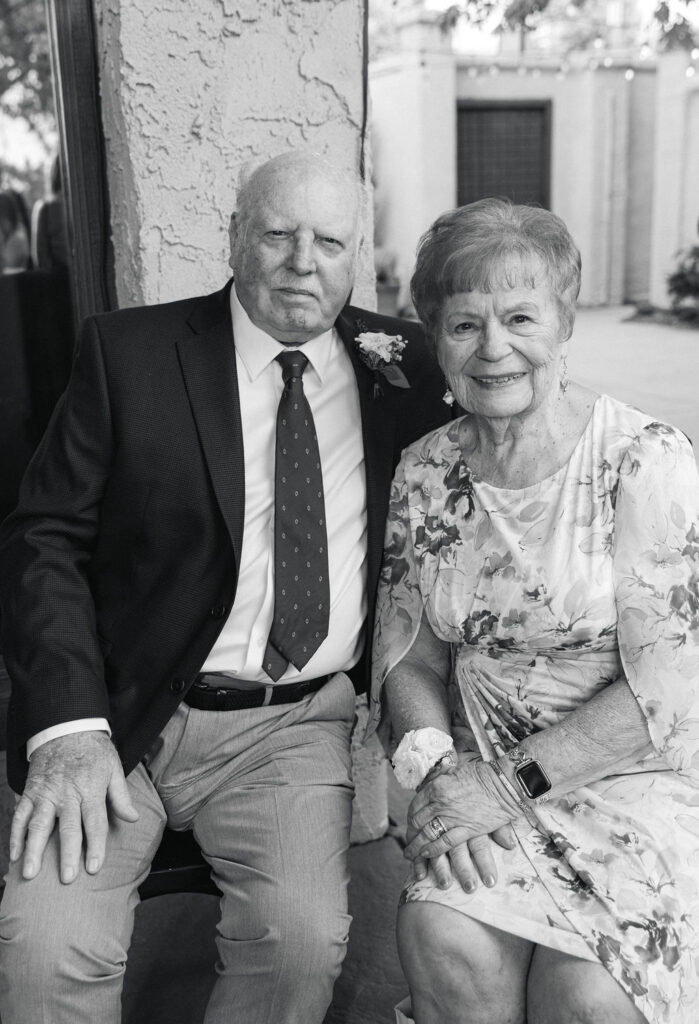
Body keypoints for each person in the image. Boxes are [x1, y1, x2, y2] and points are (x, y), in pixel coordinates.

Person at [0, 150, 449, 1024]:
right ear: (235, 238)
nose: (301, 261)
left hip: (288, 727)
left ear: (358, 254)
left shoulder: (405, 367)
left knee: (300, 940)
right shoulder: (128, 352)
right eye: (277, 234)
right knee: (46, 950)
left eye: (329, 240)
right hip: (122, 712)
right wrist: (68, 724)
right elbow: (41, 537)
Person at [369, 198, 699, 1024]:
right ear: (432, 337)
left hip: (632, 781)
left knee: (586, 993)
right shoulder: (424, 471)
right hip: (475, 777)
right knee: (442, 933)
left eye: (519, 317)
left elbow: (668, 691)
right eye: (463, 324)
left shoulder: (641, 461)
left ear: (563, 324)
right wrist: (439, 776)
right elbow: (406, 653)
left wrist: (503, 789)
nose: (493, 348)